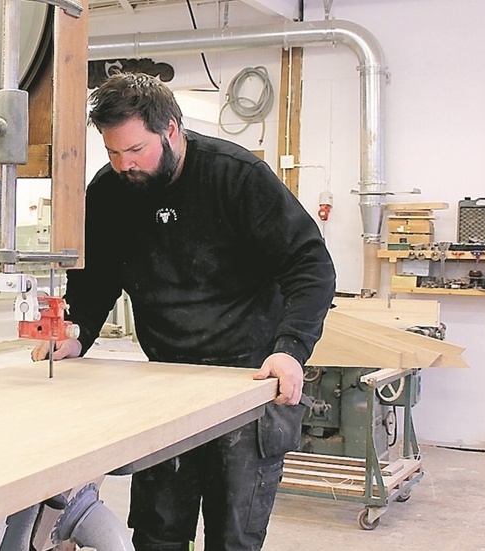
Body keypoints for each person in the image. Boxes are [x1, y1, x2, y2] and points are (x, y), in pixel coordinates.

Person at [32, 72, 336, 551]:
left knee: (232, 537)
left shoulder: (235, 177)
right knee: (157, 533)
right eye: (113, 153)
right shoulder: (111, 191)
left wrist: (291, 349)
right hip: (167, 383)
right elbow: (96, 280)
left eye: (136, 151)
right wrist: (78, 332)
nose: (124, 164)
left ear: (171, 128)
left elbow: (310, 266)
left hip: (248, 381)